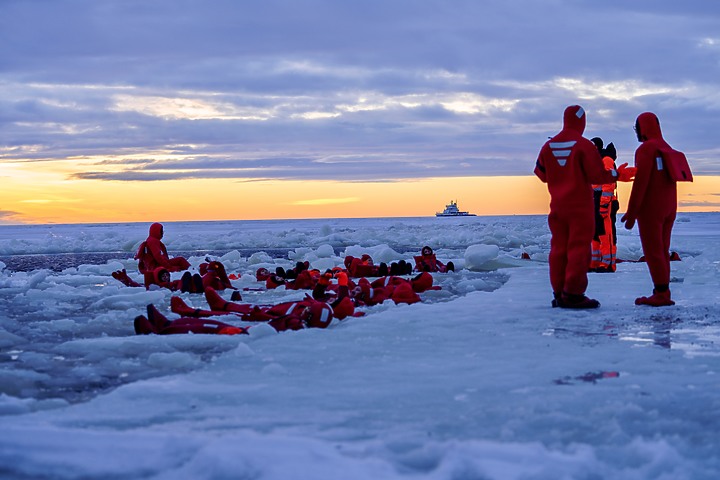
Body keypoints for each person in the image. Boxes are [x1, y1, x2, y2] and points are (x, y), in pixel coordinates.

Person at [534, 105, 635, 309]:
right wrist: (618, 175)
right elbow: (598, 175)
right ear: (582, 122)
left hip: (558, 208)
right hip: (580, 207)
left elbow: (541, 174)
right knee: (579, 249)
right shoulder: (584, 146)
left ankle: (558, 292)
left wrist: (560, 177)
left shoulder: (548, 147)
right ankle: (573, 293)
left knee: (558, 249)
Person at [621, 112, 691, 306]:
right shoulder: (666, 147)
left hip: (651, 208)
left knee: (653, 251)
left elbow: (641, 182)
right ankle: (663, 291)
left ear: (641, 128)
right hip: (669, 207)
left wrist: (632, 212)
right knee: (663, 250)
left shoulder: (646, 149)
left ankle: (660, 293)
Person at [589, 138, 620, 273]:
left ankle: (608, 264)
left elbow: (609, 183)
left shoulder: (606, 160)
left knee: (606, 233)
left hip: (606, 203)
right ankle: (595, 262)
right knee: (595, 233)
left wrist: (603, 204)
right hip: (595, 201)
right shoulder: (594, 161)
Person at [135, 223, 191, 288]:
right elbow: (158, 257)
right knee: (180, 260)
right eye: (161, 231)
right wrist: (169, 267)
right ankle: (192, 271)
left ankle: (187, 273)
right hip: (156, 266)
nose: (162, 233)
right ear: (157, 232)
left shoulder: (150, 240)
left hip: (153, 266)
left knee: (179, 263)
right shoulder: (153, 242)